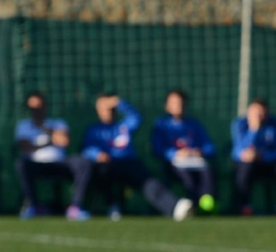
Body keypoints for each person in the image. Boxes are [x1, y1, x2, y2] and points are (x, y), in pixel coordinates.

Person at [78, 93, 192, 222]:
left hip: (129, 163)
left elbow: (137, 117)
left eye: (110, 109)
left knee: (147, 181)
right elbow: (86, 148)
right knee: (99, 173)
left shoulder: (123, 126)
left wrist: (119, 103)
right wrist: (97, 154)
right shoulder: (94, 130)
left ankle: (174, 207)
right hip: (107, 165)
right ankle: (112, 206)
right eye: (104, 109)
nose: (108, 112)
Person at [14, 90, 91, 220]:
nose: (37, 111)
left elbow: (64, 141)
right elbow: (27, 147)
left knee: (83, 162)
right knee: (21, 164)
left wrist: (43, 127)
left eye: (39, 107)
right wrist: (51, 141)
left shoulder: (58, 123)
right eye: (34, 108)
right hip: (36, 164)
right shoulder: (23, 125)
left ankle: (75, 207)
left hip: (60, 163)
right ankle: (33, 206)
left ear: (45, 106)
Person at [152, 88, 216, 213]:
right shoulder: (161, 124)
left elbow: (209, 146)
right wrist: (175, 153)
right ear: (167, 106)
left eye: (180, 102)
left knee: (207, 172)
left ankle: (207, 204)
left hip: (195, 161)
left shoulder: (194, 124)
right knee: (187, 178)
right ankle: (192, 206)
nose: (178, 106)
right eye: (174, 103)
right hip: (174, 163)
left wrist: (199, 152)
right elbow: (158, 148)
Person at [231, 98, 276, 216]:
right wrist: (254, 130)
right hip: (249, 166)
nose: (259, 116)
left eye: (262, 112)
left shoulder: (275, 124)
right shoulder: (239, 124)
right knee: (245, 167)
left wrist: (262, 156)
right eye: (256, 112)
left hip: (269, 164)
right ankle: (244, 206)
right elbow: (237, 151)